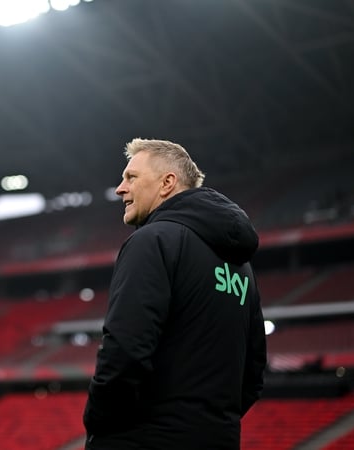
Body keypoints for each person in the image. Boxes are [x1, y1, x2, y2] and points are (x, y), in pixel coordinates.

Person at [83, 138, 267, 449]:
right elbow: (254, 371)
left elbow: (126, 348)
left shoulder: (153, 240)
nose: (120, 189)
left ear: (167, 183)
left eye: (131, 177)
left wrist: (99, 423)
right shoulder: (241, 266)